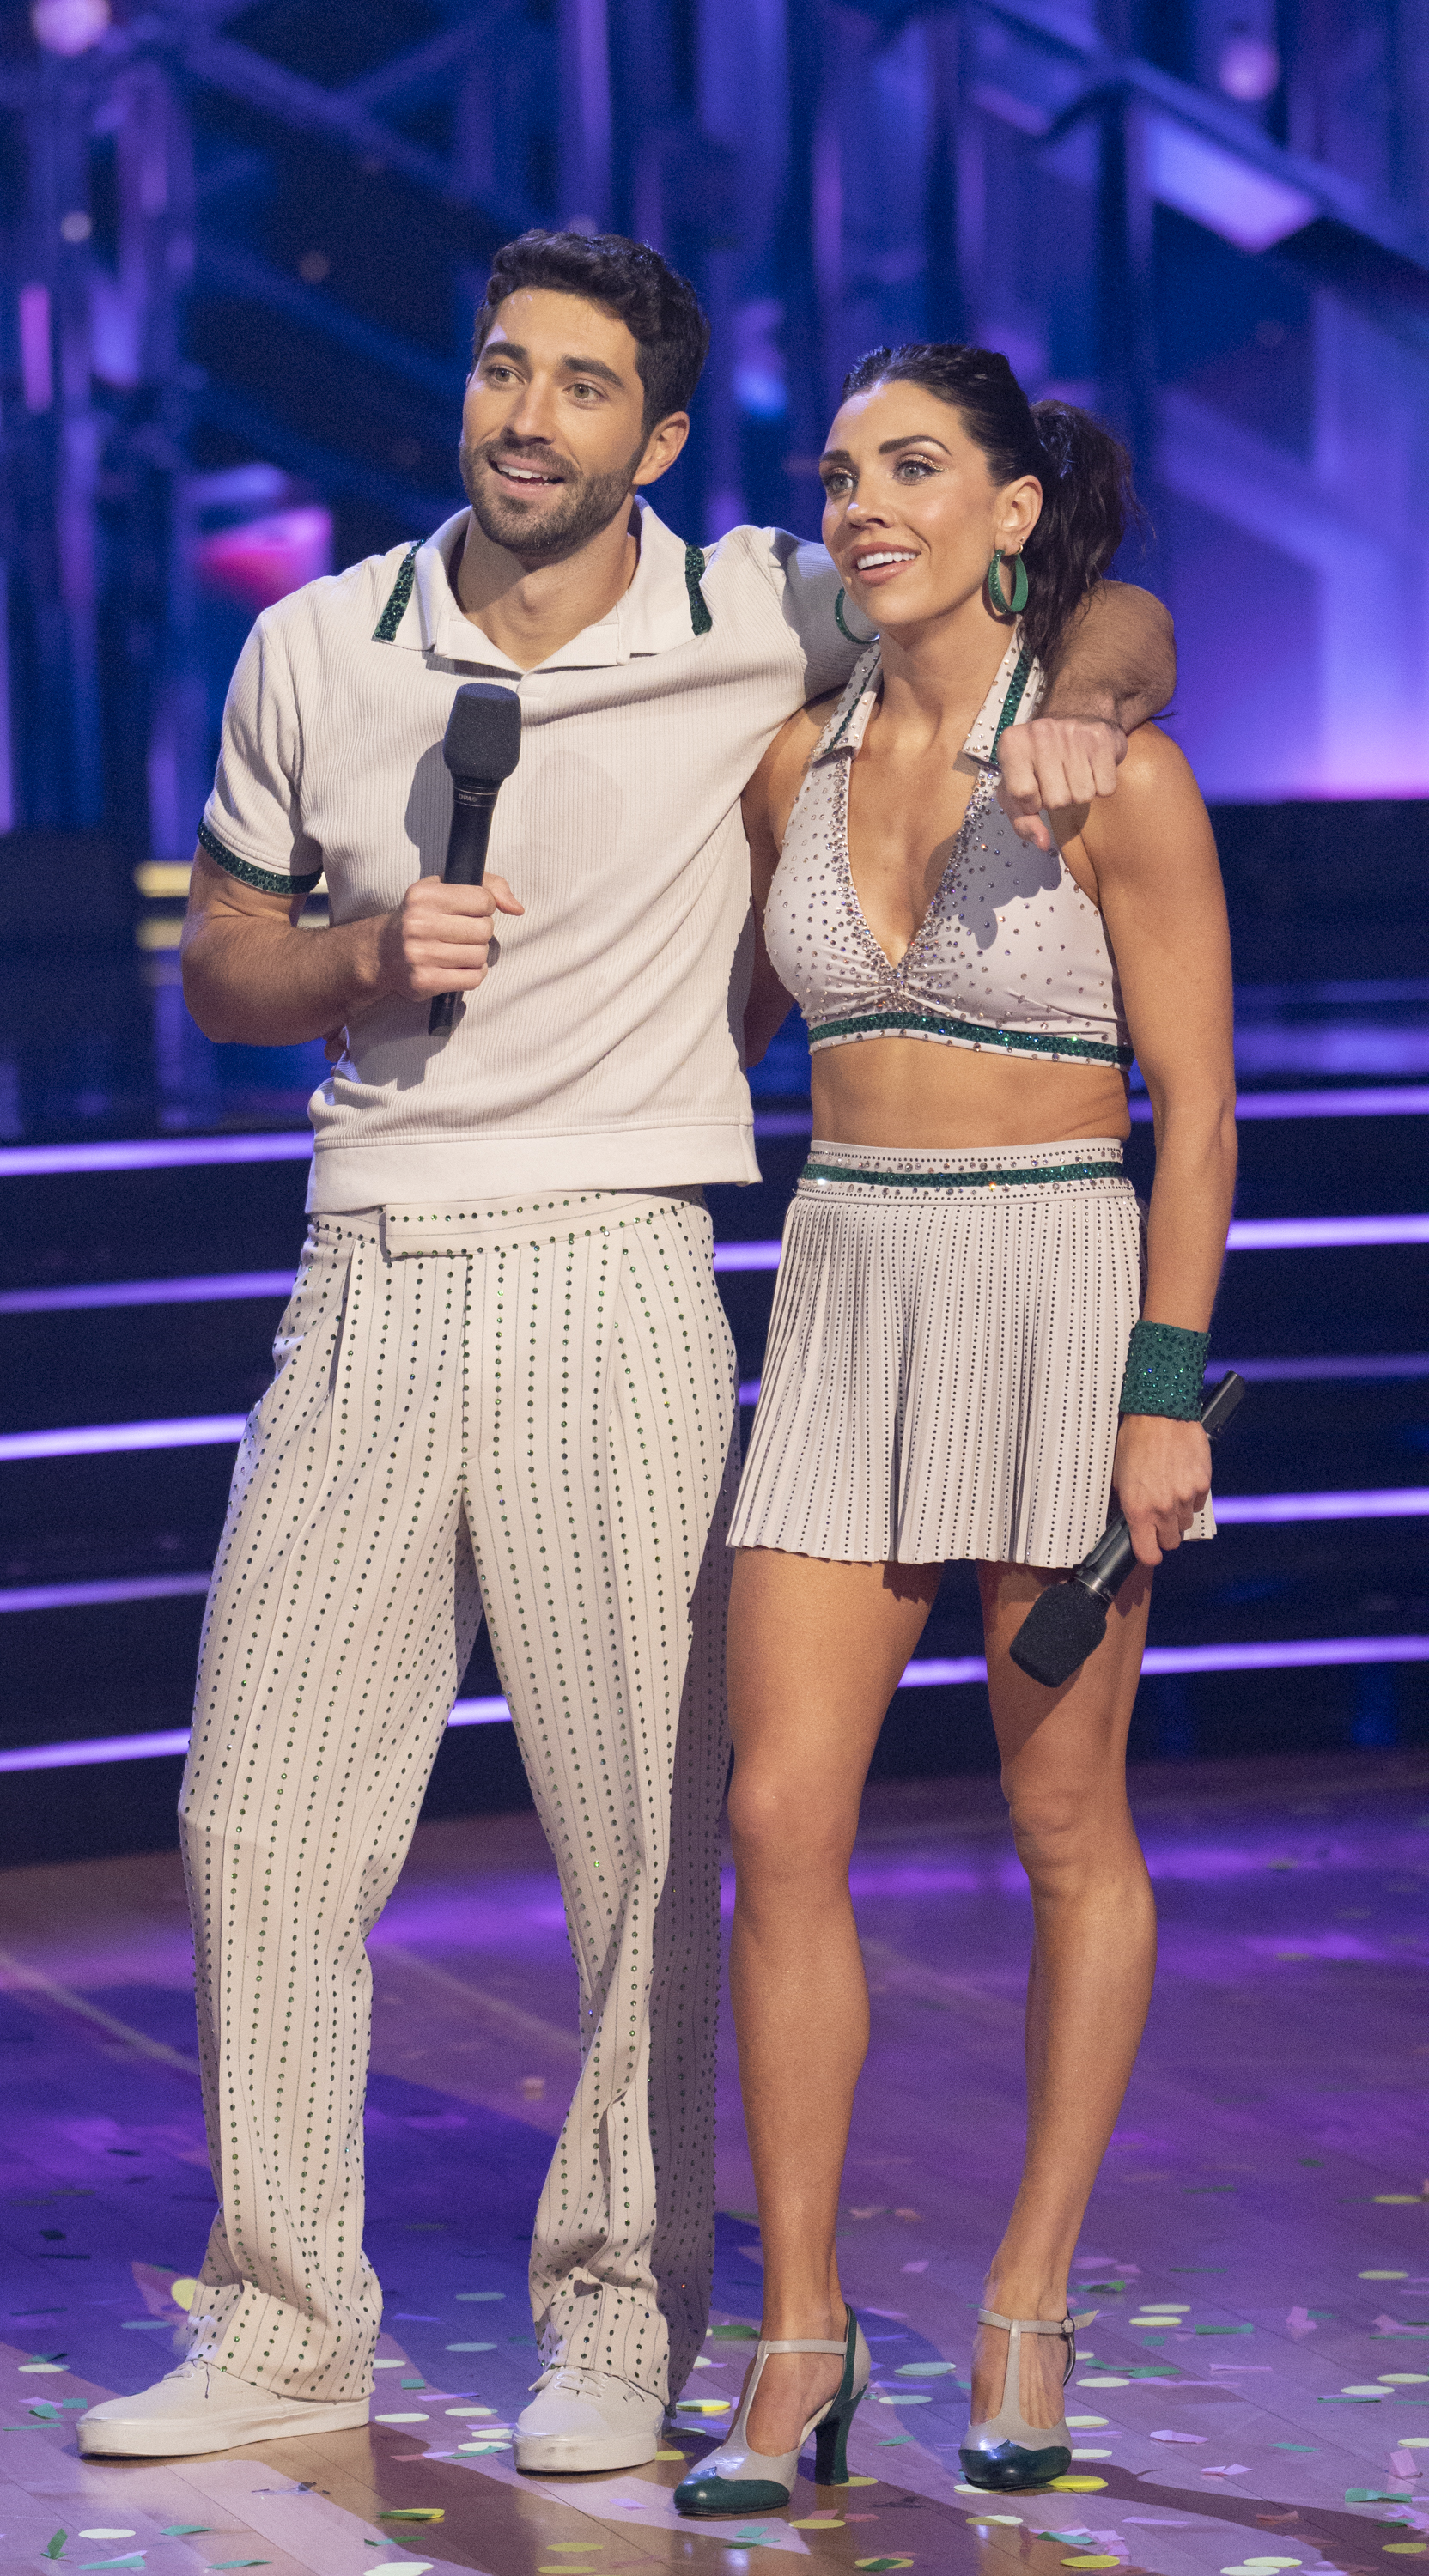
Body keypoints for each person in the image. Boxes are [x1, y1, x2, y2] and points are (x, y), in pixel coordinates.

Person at [74, 246, 1176, 2473]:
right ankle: (282, 2318)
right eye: (502, 368)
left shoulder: (759, 607)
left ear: (654, 445)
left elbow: (1078, 606)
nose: (529, 415)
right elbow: (220, 956)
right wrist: (354, 950)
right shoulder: (317, 644)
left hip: (614, 1264)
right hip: (369, 1261)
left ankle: (619, 2322)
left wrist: (1108, 695)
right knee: (254, 1819)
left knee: (652, 1846)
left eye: (585, 389)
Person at [672, 343, 1236, 2518]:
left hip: (1054, 1298)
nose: (864, 502)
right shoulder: (790, 767)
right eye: (840, 472)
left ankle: (1024, 2302)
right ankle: (796, 2337)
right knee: (779, 1817)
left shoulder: (1116, 773)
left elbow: (1196, 1115)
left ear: (1015, 509)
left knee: (1062, 1827)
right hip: (841, 1296)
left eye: (914, 467)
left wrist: (1162, 1396)